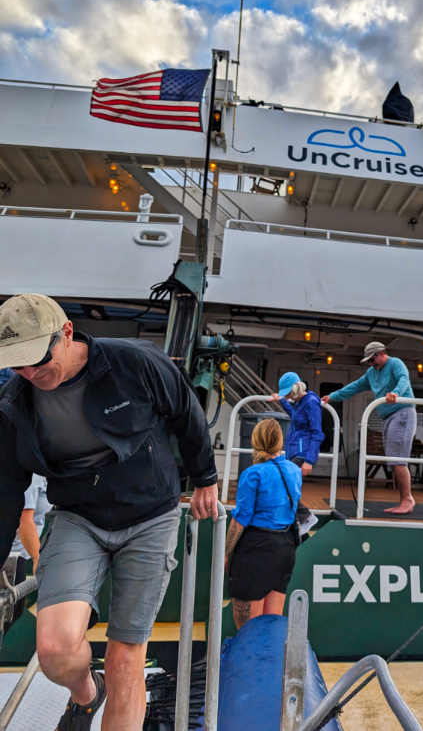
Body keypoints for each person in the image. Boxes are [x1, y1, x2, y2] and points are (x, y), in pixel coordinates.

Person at [0, 293, 219, 731]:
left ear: (65, 334)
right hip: (79, 516)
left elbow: (184, 410)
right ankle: (86, 693)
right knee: (55, 650)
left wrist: (205, 478)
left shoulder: (134, 362)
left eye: (36, 359)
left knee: (125, 659)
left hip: (150, 515)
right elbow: (6, 489)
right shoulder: (13, 403)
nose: (29, 373)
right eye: (16, 364)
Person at [322, 341, 417, 515]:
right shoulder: (371, 373)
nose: (371, 364)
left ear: (381, 353)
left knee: (397, 459)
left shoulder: (395, 363)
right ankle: (404, 499)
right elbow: (356, 386)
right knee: (393, 459)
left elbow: (404, 378)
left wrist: (396, 392)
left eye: (372, 360)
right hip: (388, 417)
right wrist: (333, 396)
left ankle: (407, 499)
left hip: (402, 413)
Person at [224, 418, 302, 629]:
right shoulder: (294, 471)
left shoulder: (253, 474)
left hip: (255, 550)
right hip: (285, 549)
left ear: (255, 440)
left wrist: (225, 552)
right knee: (270, 627)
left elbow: (240, 520)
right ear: (280, 441)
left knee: (248, 632)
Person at [271, 371, 324, 535]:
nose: (288, 396)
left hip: (303, 454)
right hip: (295, 452)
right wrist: (281, 401)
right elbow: (295, 416)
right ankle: (297, 522)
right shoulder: (301, 402)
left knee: (284, 483)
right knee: (288, 486)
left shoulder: (311, 402)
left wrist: (309, 460)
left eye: (287, 393)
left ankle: (306, 517)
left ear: (295, 389)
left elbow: (318, 433)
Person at [10, 474, 51, 570]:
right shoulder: (32, 476)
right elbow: (23, 521)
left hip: (19, 553)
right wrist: (37, 559)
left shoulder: (47, 475)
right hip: (10, 554)